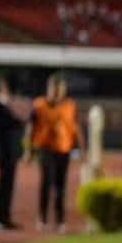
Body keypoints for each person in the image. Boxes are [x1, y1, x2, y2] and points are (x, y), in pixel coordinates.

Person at [24, 74, 83, 232]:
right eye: (54, 89)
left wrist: (82, 147)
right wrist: (28, 149)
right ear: (48, 89)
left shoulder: (70, 105)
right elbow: (30, 127)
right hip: (45, 148)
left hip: (64, 149)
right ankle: (42, 218)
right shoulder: (39, 105)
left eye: (60, 90)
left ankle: (60, 220)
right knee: (46, 183)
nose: (57, 93)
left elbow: (75, 127)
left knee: (61, 186)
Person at [0, 76, 25, 231]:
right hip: (5, 153)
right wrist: (18, 123)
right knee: (4, 185)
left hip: (8, 153)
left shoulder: (0, 107)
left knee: (7, 185)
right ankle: (0, 218)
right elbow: (11, 126)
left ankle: (4, 217)